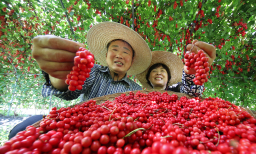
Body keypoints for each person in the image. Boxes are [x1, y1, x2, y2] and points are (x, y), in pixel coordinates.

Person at [9, 21, 152, 139]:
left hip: (114, 136)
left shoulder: (136, 90)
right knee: (20, 131)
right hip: (79, 130)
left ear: (132, 61)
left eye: (126, 52)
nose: (119, 55)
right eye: (114, 50)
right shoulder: (93, 71)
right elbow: (70, 91)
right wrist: (58, 75)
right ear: (106, 54)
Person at [136, 40, 216, 97]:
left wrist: (191, 75)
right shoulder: (141, 95)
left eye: (162, 71)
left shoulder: (177, 89)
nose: (158, 73)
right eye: (154, 71)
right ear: (148, 78)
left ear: (168, 77)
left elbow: (192, 93)